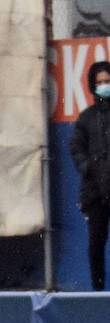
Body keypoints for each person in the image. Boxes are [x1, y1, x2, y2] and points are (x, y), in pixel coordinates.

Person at [70, 61, 110, 291]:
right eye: (100, 83)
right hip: (94, 192)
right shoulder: (86, 117)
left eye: (108, 81)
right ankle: (98, 289)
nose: (104, 86)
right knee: (96, 243)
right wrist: (87, 167)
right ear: (92, 86)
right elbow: (76, 147)